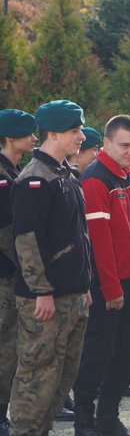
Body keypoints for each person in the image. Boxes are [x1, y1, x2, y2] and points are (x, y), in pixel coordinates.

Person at [10, 100, 92, 436]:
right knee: (37, 378)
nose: (81, 137)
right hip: (45, 300)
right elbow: (27, 240)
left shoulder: (66, 174)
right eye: (75, 131)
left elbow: (76, 235)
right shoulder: (35, 179)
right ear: (54, 134)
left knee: (61, 379)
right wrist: (41, 290)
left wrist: (84, 285)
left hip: (71, 295)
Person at [73, 115, 130, 436]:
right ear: (106, 143)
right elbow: (98, 242)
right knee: (98, 352)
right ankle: (84, 420)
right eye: (125, 145)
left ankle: (107, 415)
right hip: (106, 284)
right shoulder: (95, 179)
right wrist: (111, 286)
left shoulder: (129, 174)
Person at [0, 109, 37, 436]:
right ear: (10, 137)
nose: (34, 138)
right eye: (27, 133)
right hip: (4, 276)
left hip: (12, 273)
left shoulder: (15, 170)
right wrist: (30, 265)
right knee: (5, 347)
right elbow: (7, 230)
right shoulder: (2, 174)